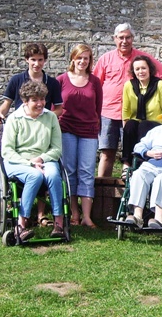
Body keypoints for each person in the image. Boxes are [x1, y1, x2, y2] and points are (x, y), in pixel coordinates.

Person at [93, 23, 162, 177]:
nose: (124, 41)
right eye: (121, 38)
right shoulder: (106, 59)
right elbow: (96, 84)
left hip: (134, 116)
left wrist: (151, 92)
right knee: (107, 153)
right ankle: (103, 193)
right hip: (108, 112)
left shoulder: (141, 58)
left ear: (133, 38)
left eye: (128, 37)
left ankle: (129, 191)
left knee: (133, 154)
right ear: (114, 39)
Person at [1, 81, 65, 240]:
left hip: (44, 158)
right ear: (25, 101)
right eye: (35, 100)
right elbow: (7, 150)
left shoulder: (50, 117)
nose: (40, 103)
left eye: (42, 99)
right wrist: (30, 163)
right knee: (34, 176)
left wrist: (41, 158)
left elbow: (57, 148)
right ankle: (21, 225)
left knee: (53, 175)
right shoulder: (14, 118)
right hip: (18, 161)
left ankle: (59, 223)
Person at [56, 44, 102, 229]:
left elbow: (98, 108)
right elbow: (55, 108)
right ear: (72, 59)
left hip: (88, 132)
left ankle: (87, 216)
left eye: (86, 58)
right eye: (79, 57)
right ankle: (74, 213)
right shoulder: (61, 80)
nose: (83, 61)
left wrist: (95, 126)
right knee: (70, 172)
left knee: (86, 172)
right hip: (66, 130)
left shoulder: (94, 81)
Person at [121, 55, 162, 175]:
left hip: (156, 125)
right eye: (137, 69)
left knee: (144, 124)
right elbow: (126, 110)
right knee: (131, 124)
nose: (140, 72)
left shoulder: (159, 85)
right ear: (133, 71)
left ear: (149, 69)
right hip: (136, 123)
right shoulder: (129, 85)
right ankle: (126, 164)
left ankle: (141, 162)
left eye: (143, 68)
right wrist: (126, 128)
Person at [0, 42, 63, 124]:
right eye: (33, 59)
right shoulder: (16, 80)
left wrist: (46, 117)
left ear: (45, 60)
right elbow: (7, 103)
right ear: (27, 59)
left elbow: (59, 109)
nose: (36, 64)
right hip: (20, 124)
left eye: (40, 60)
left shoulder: (53, 83)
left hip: (43, 125)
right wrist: (0, 114)